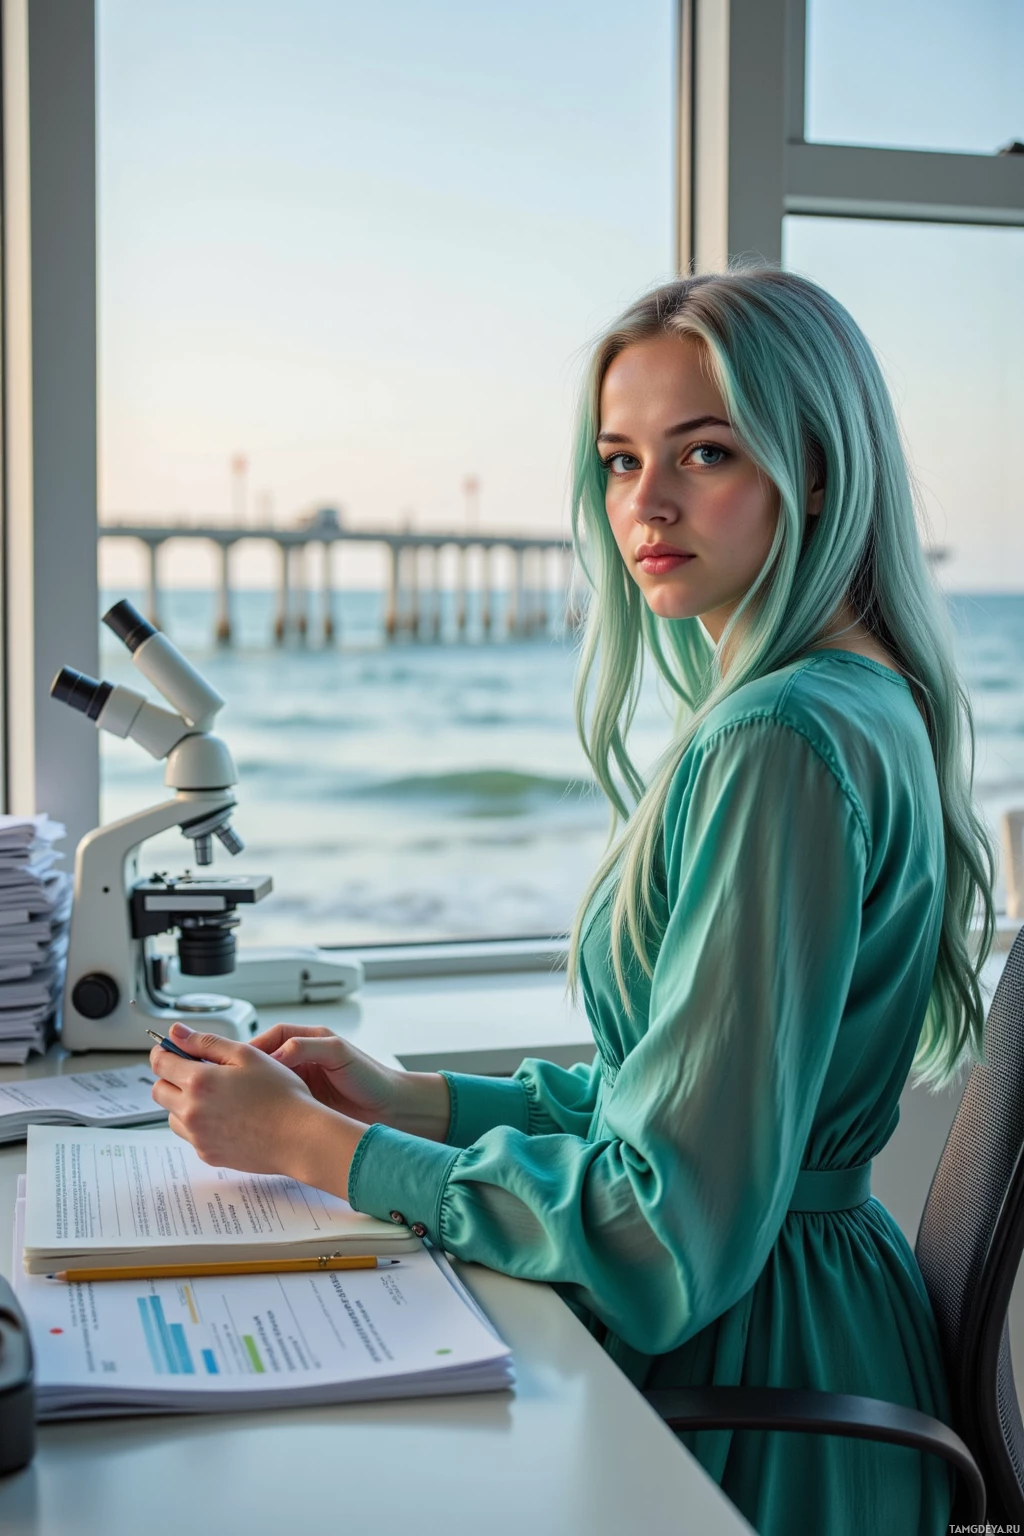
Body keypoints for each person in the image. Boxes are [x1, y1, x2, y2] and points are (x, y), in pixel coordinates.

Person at [150, 266, 995, 1536]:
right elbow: (694, 1103)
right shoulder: (865, 700)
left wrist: (314, 1148)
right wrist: (418, 1099)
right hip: (816, 1316)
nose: (642, 504)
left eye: (702, 453)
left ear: (816, 472)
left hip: (758, 1368)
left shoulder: (774, 740)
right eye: (615, 460)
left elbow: (661, 1238)